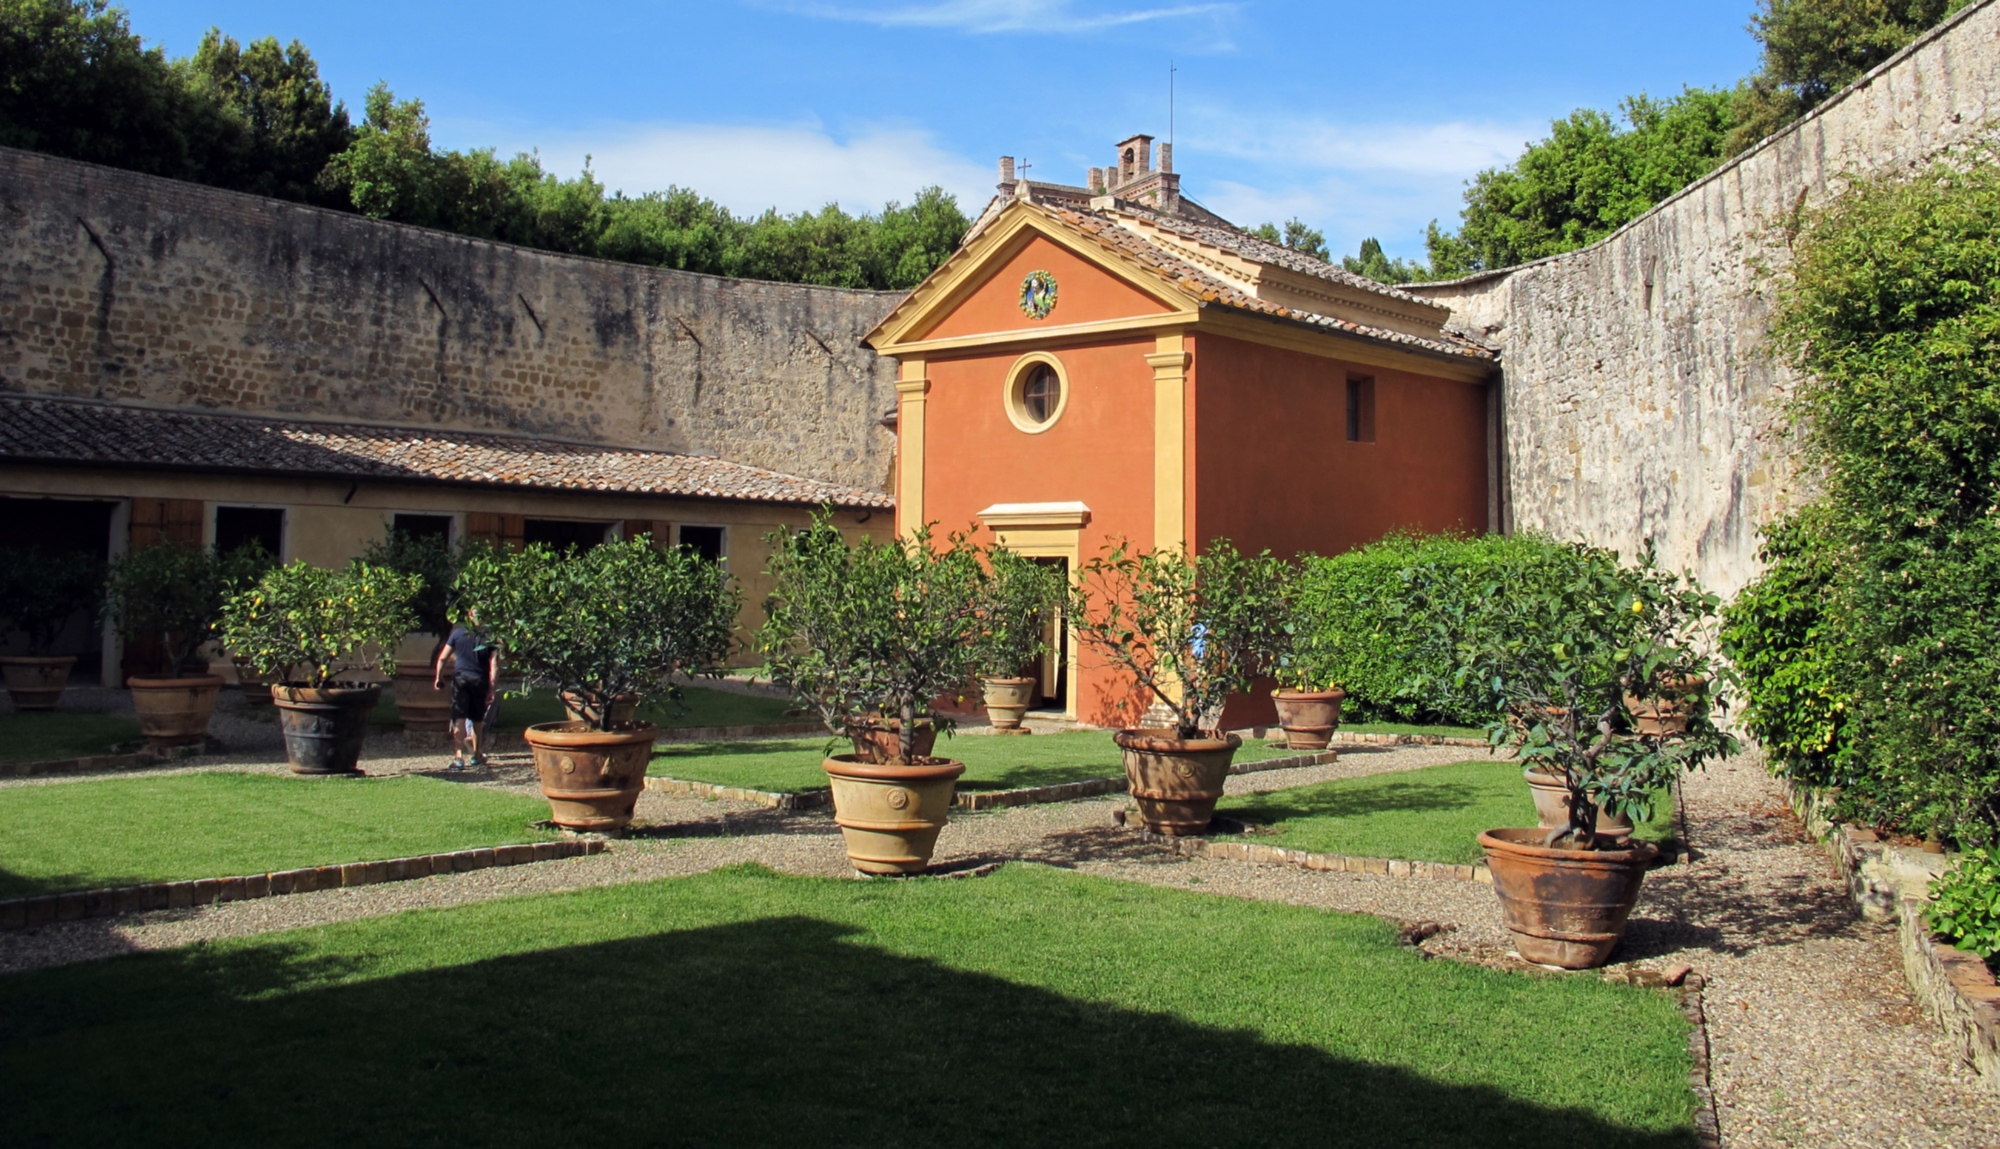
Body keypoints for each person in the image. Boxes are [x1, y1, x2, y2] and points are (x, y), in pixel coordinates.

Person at [433, 607, 499, 770]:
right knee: (477, 719)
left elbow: (442, 658)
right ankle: (477, 755)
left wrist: (438, 677)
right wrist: (492, 688)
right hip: (479, 680)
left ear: (470, 616)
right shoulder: (491, 638)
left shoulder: (457, 633)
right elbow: (495, 665)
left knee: (459, 718)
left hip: (461, 679)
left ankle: (459, 757)